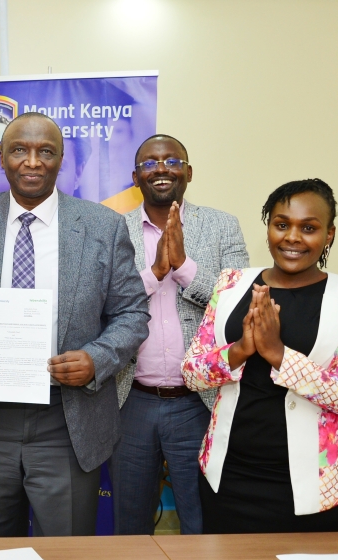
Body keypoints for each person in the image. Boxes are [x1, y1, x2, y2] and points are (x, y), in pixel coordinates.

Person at [0, 112, 150, 537]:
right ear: (1, 158)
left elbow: (132, 314)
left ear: (61, 160)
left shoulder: (102, 227)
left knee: (68, 556)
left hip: (68, 420)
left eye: (45, 152)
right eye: (19, 150)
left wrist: (96, 358)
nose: (32, 161)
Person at [182, 178, 338, 533]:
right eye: (282, 224)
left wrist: (279, 355)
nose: (292, 237)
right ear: (269, 226)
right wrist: (241, 350)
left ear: (329, 234)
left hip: (314, 490)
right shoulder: (231, 285)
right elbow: (192, 373)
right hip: (227, 478)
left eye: (309, 228)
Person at [112, 135, 249, 535]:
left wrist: (184, 266)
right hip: (130, 401)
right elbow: (104, 305)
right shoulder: (113, 229)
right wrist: (154, 274)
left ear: (188, 171)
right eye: (150, 162)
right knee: (130, 522)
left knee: (202, 521)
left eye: (172, 160)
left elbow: (238, 306)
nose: (161, 168)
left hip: (199, 404)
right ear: (135, 176)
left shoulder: (222, 226)